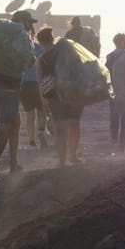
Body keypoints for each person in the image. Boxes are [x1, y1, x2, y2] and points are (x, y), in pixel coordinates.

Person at [36, 28, 84, 167]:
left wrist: (44, 104)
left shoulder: (42, 60)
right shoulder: (67, 52)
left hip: (55, 97)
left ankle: (61, 160)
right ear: (53, 38)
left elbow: (41, 84)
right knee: (74, 125)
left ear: (40, 42)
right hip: (74, 93)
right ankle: (73, 156)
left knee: (60, 129)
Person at [15, 11, 47, 147]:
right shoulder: (38, 48)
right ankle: (41, 131)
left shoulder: (15, 46)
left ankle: (32, 140)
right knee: (41, 112)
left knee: (29, 114)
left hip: (24, 83)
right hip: (39, 83)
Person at [105, 34, 125, 154]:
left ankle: (113, 144)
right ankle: (122, 146)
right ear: (122, 42)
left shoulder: (110, 56)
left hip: (113, 91)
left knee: (114, 118)